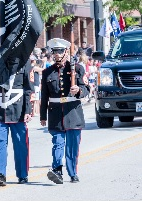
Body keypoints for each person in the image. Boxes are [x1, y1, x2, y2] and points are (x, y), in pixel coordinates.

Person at [40, 38, 89, 184]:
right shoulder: (47, 72)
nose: (56, 54)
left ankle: (73, 173)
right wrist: (43, 115)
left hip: (73, 113)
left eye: (60, 51)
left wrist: (79, 90)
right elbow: (44, 96)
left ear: (66, 52)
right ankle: (57, 170)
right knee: (58, 143)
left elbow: (86, 89)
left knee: (72, 147)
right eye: (54, 51)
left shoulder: (77, 68)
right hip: (55, 113)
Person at [0, 58, 34, 186]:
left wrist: (28, 110)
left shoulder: (25, 62)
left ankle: (22, 174)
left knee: (20, 144)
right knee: (0, 141)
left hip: (17, 108)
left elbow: (29, 88)